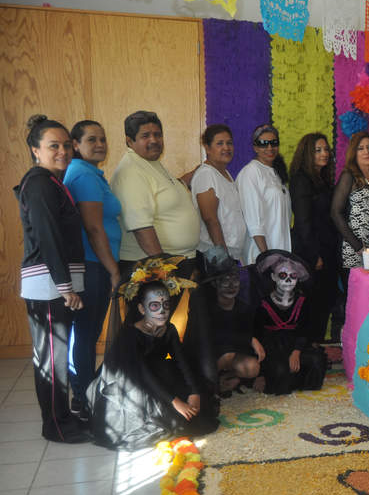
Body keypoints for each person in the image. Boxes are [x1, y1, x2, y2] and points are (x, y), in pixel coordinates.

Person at [87, 257, 218, 450]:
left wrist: (193, 392)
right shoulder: (132, 335)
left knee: (198, 411)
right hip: (136, 385)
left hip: (159, 376)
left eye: (166, 305)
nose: (163, 311)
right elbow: (143, 375)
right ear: (141, 308)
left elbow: (180, 361)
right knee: (171, 421)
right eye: (154, 306)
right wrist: (175, 402)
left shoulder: (169, 329)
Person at [16, 115, 89, 444]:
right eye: (53, 146)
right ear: (35, 150)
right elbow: (47, 237)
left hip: (56, 283)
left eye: (66, 145)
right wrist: (65, 287)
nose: (63, 151)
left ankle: (63, 417)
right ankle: (57, 426)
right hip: (48, 285)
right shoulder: (41, 183)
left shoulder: (51, 181)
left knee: (58, 356)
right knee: (52, 358)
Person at [63, 120, 122, 419]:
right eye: (91, 140)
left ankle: (85, 395)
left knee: (87, 334)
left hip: (94, 265)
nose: (99, 144)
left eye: (102, 139)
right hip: (92, 265)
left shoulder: (90, 173)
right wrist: (113, 269)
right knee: (85, 334)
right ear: (75, 144)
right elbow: (94, 228)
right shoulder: (84, 175)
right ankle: (83, 399)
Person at [110, 110, 200, 274]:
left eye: (158, 134)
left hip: (174, 262)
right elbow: (141, 228)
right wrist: (164, 270)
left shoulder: (150, 163)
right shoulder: (131, 171)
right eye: (145, 136)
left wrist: (193, 175)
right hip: (152, 267)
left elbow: (167, 191)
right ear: (130, 141)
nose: (154, 140)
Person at [330, 131, 369, 326]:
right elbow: (336, 213)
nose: (366, 152)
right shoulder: (349, 177)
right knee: (355, 302)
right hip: (352, 251)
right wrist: (358, 246)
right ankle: (352, 343)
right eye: (361, 148)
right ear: (354, 153)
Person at [253, 250, 328, 394]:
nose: (288, 280)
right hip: (272, 347)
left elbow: (305, 328)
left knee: (316, 361)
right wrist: (261, 373)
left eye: (292, 276)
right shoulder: (263, 303)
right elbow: (257, 334)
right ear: (273, 277)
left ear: (298, 278)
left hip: (294, 343)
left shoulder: (302, 301)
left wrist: (296, 351)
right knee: (280, 372)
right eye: (282, 275)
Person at [289, 132, 338, 344]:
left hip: (327, 249)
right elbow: (303, 222)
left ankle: (315, 347)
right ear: (308, 153)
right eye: (318, 150)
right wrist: (314, 255)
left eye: (326, 149)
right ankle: (306, 351)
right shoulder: (301, 180)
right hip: (311, 252)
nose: (324, 153)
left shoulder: (323, 178)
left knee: (324, 301)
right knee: (311, 304)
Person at [203, 247, 263, 395]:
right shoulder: (207, 309)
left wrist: (249, 339)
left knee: (252, 367)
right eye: (225, 280)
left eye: (235, 279)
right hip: (211, 356)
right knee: (227, 354)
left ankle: (227, 378)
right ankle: (209, 382)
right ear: (214, 284)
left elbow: (246, 334)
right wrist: (250, 339)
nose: (231, 285)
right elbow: (211, 338)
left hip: (233, 354)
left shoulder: (244, 307)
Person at [191, 124, 248, 261]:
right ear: (207, 148)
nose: (226, 148)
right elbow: (210, 220)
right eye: (219, 144)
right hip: (216, 256)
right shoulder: (206, 175)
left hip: (230, 254)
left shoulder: (224, 173)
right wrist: (223, 257)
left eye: (229, 143)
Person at [237, 123, 291, 264]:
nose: (269, 148)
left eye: (274, 143)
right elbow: (253, 221)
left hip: (280, 252)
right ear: (255, 147)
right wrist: (267, 257)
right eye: (263, 144)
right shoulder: (251, 173)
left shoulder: (275, 172)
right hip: (261, 256)